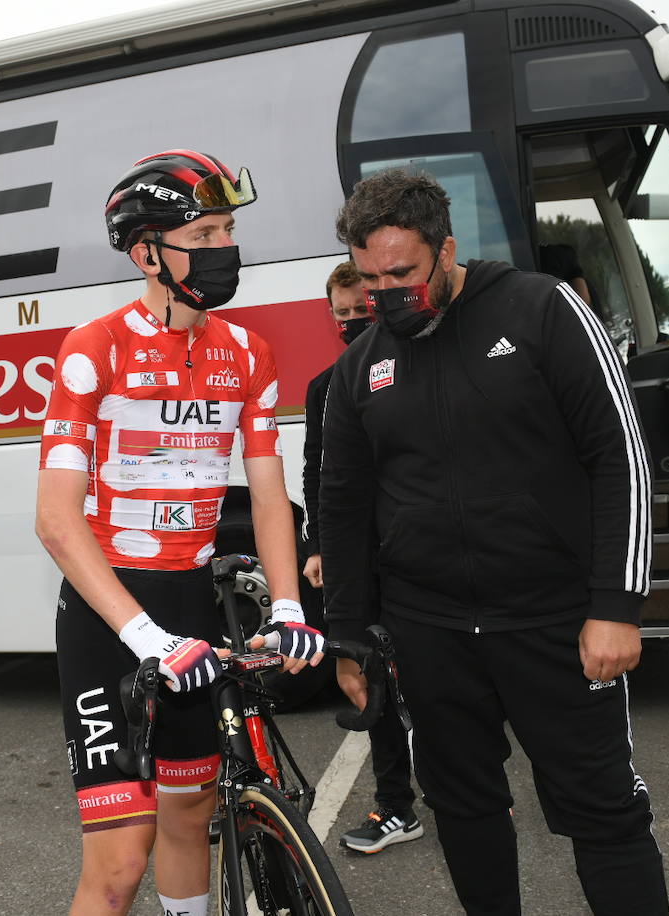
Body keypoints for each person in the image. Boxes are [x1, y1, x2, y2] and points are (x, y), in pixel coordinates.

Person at [320, 168, 667, 915]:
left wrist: (618, 605)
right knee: (465, 808)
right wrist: (348, 636)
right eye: (371, 278)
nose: (387, 294)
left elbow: (621, 457)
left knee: (603, 811)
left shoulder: (542, 309)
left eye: (403, 272)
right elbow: (341, 507)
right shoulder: (359, 368)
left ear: (446, 251)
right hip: (431, 632)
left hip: (557, 622)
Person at [35, 149, 324, 916]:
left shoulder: (249, 354)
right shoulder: (93, 350)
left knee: (190, 817)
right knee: (121, 862)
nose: (223, 248)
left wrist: (290, 610)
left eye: (228, 230)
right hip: (110, 616)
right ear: (146, 252)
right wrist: (146, 639)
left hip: (190, 598)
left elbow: (268, 497)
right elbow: (57, 521)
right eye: (202, 234)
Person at [300, 260, 424, 854]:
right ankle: (396, 805)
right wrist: (320, 545)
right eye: (341, 314)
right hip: (358, 557)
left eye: (360, 310)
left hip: (413, 552)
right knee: (371, 677)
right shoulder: (325, 387)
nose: (351, 321)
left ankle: (469, 790)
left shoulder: (413, 369)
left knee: (436, 674)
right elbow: (317, 472)